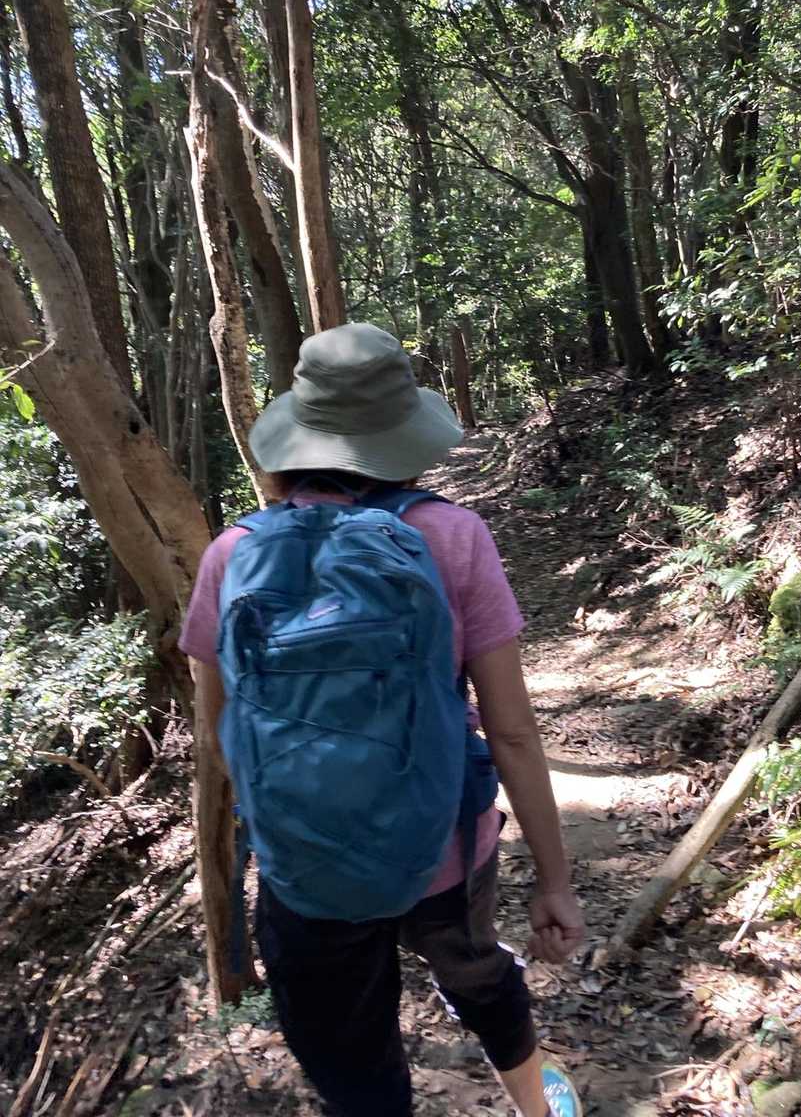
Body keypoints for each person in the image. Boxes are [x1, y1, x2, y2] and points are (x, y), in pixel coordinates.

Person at [180, 323, 586, 1117]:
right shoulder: (453, 537)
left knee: (350, 1058)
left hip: (306, 871)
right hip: (443, 846)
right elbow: (511, 732)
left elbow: (218, 734)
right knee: (478, 975)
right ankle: (537, 1105)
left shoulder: (231, 553)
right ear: (404, 436)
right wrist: (555, 882)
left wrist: (306, 811)